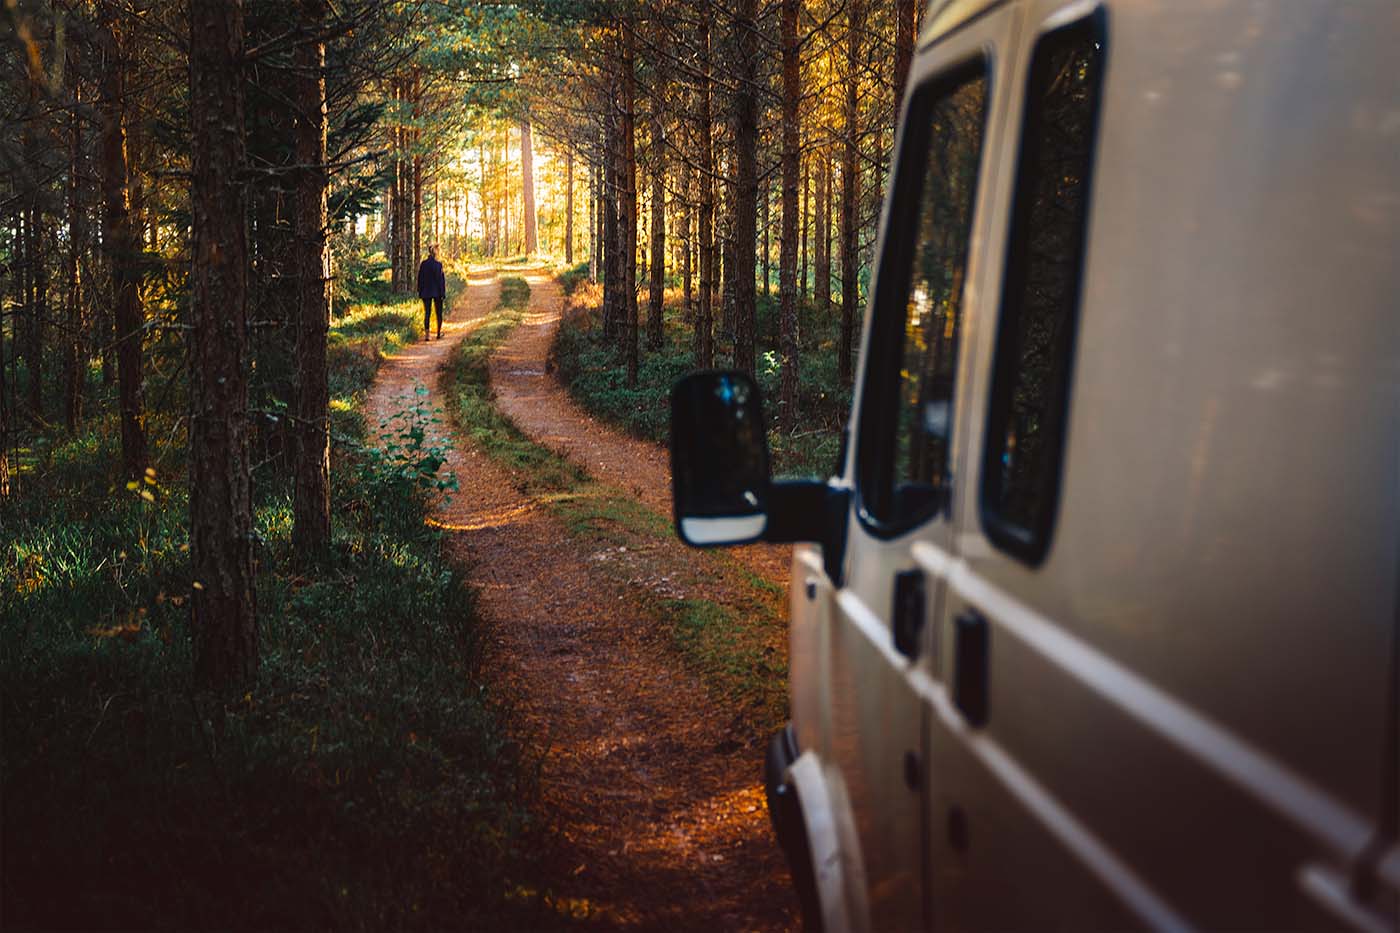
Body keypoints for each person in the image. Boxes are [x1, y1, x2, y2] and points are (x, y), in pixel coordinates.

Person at [416, 245, 446, 340]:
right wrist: (443, 293)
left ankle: (427, 335)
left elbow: (420, 278)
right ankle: (438, 333)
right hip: (437, 292)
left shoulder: (423, 264)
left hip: (425, 292)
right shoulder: (438, 265)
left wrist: (419, 290)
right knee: (439, 313)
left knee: (427, 313)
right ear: (435, 253)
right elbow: (441, 280)